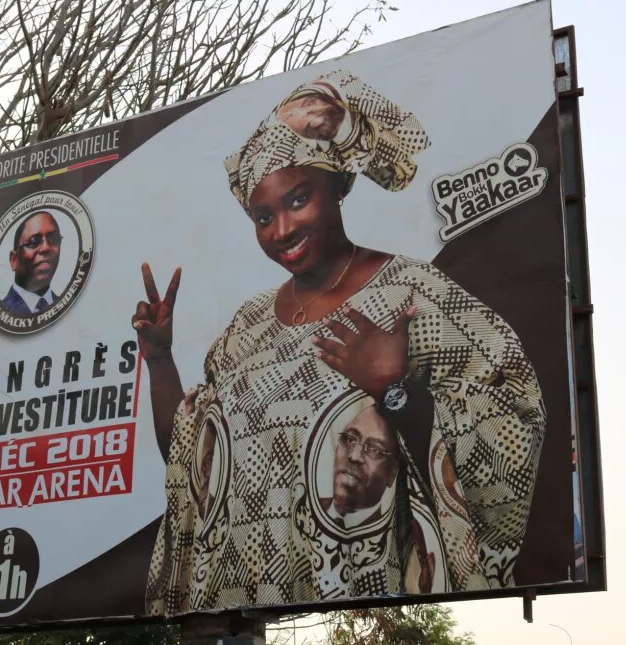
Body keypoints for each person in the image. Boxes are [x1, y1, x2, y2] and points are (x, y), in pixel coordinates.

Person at [137, 70, 546, 615]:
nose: (281, 229)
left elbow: (516, 421)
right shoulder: (247, 328)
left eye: (298, 199)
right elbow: (190, 461)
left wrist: (398, 393)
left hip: (369, 616)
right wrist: (160, 358)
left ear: (339, 186)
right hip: (246, 616)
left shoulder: (410, 293)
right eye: (264, 216)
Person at [322, 406, 399, 530]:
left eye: (374, 449)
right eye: (350, 439)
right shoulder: (307, 507)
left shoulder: (391, 534)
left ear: (393, 472)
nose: (354, 456)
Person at [1, 211, 62, 314]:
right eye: (33, 242)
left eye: (53, 239)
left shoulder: (70, 309)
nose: (45, 248)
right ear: (14, 260)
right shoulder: (0, 313)